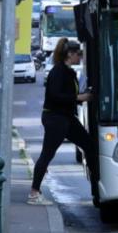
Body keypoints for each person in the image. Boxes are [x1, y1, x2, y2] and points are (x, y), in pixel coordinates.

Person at [28, 39, 94, 205]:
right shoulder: (58, 72)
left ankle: (97, 182)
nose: (80, 57)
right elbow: (55, 95)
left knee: (89, 145)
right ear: (69, 54)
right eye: (78, 54)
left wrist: (81, 96)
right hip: (56, 118)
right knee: (47, 155)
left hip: (66, 117)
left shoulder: (67, 71)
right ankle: (34, 193)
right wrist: (79, 97)